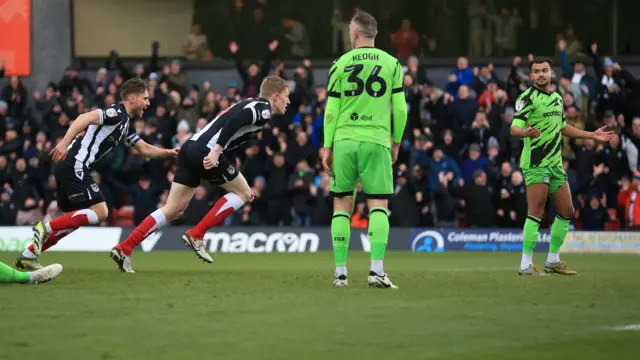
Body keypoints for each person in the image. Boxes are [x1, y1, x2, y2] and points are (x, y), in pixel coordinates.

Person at [111, 76, 290, 273]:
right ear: (275, 96)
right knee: (244, 194)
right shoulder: (263, 109)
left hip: (190, 148)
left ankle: (125, 247)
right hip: (206, 151)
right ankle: (197, 234)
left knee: (173, 209)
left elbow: (231, 140)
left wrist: (232, 168)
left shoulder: (249, 103)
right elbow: (234, 122)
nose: (288, 101)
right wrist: (216, 151)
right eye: (286, 96)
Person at [16, 78, 179, 271]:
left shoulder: (126, 124)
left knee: (73, 222)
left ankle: (29, 254)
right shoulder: (116, 113)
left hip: (71, 167)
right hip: (73, 164)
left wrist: (168, 152)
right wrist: (64, 141)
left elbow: (143, 148)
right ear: (132, 99)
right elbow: (84, 118)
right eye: (145, 98)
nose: (148, 103)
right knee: (101, 212)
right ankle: (45, 227)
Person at [321, 11, 407, 289]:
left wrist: (327, 146)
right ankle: (377, 272)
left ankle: (341, 274)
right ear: (375, 34)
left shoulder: (340, 64)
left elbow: (331, 111)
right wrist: (396, 141)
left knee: (341, 205)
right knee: (378, 205)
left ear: (355, 32)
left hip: (345, 140)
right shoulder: (392, 63)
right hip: (376, 140)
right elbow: (401, 109)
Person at [510, 57, 614, 276]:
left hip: (555, 163)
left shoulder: (557, 99)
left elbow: (563, 127)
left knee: (567, 210)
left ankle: (553, 260)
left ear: (551, 74)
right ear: (531, 76)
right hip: (536, 163)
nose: (540, 74)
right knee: (536, 212)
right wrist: (525, 132)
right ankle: (525, 264)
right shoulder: (527, 98)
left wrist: (592, 135)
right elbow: (514, 127)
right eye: (536, 71)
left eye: (544, 70)